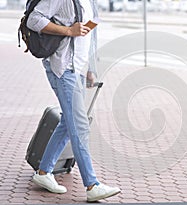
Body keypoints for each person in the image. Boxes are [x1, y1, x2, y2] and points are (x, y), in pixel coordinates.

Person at [26, 0, 121, 202]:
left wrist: (90, 68)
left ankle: (43, 172)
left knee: (69, 124)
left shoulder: (91, 2)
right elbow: (33, 20)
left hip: (77, 68)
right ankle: (92, 185)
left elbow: (91, 32)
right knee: (79, 125)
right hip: (63, 68)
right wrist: (68, 30)